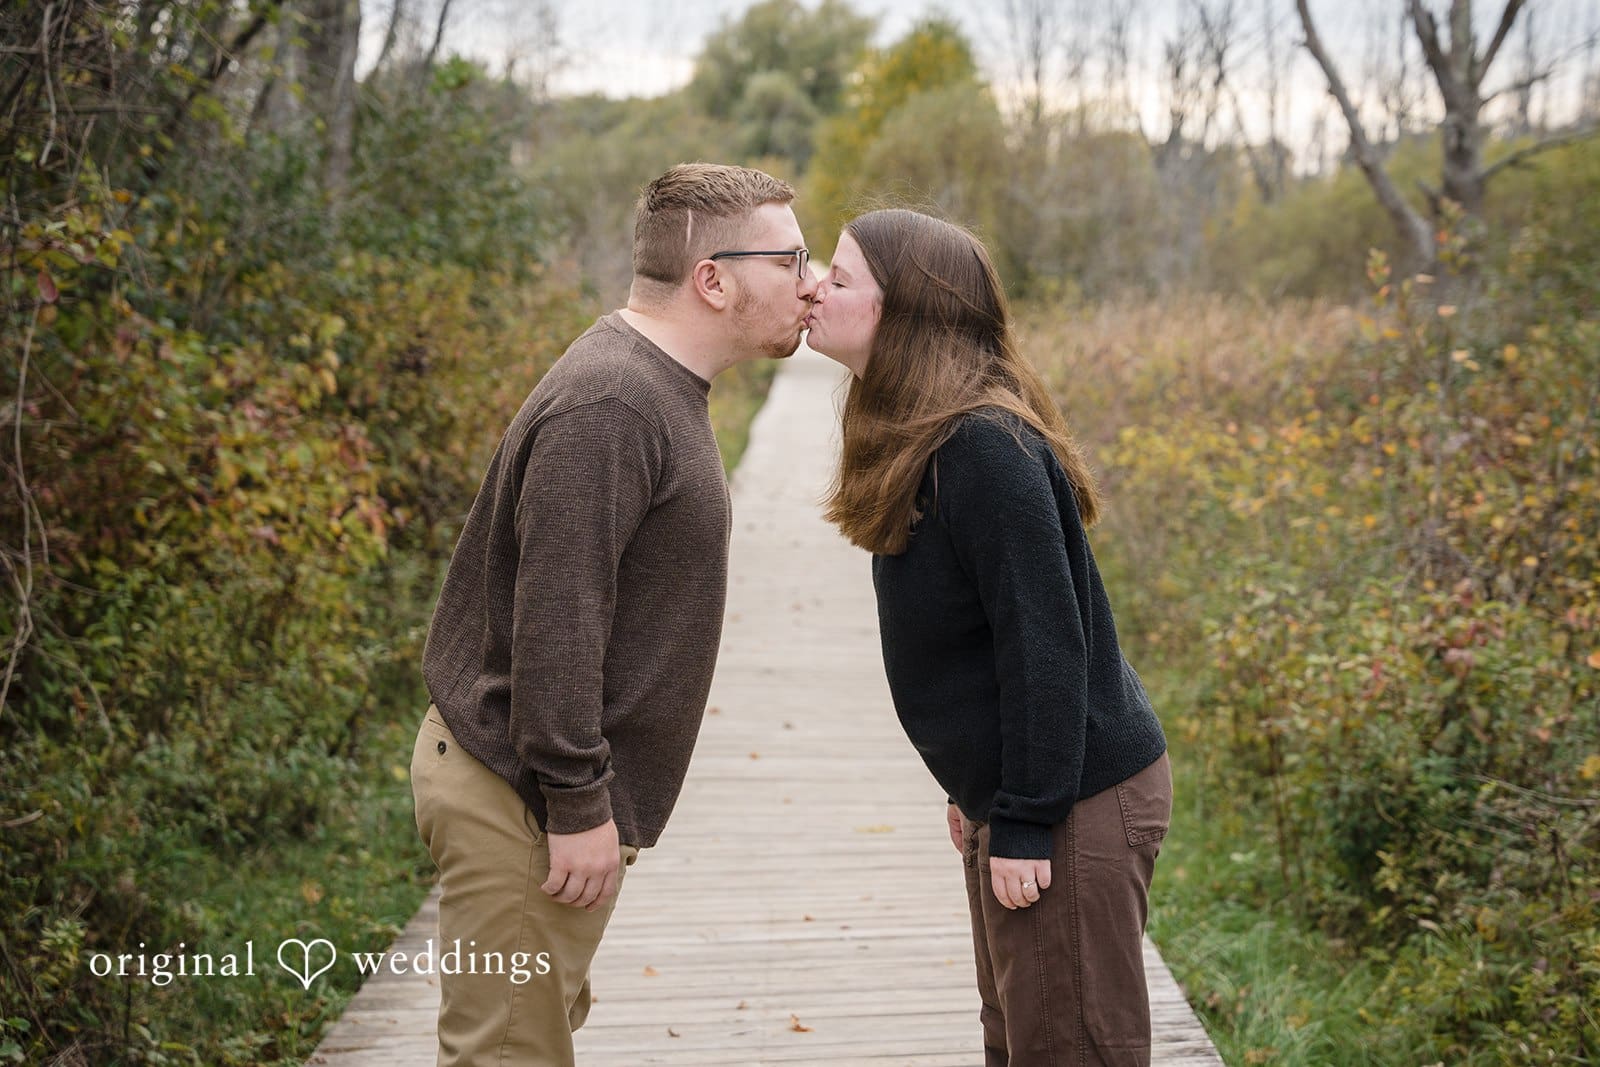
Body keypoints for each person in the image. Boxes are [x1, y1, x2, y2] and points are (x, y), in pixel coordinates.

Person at [411, 162, 817, 1066]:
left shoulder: (653, 385)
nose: (812, 279)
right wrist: (577, 796)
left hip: (531, 792)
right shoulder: (615, 403)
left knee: (533, 1034)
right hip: (518, 796)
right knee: (505, 1053)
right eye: (791, 258)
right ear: (713, 278)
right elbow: (558, 614)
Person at [806, 208, 1172, 1067]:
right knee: (1019, 1037)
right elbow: (977, 640)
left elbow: (1048, 647)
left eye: (842, 275)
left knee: (1069, 1046)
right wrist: (977, 781)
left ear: (902, 315)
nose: (817, 284)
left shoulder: (983, 447)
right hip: (1023, 783)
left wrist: (1028, 814)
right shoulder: (918, 433)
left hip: (1075, 793)